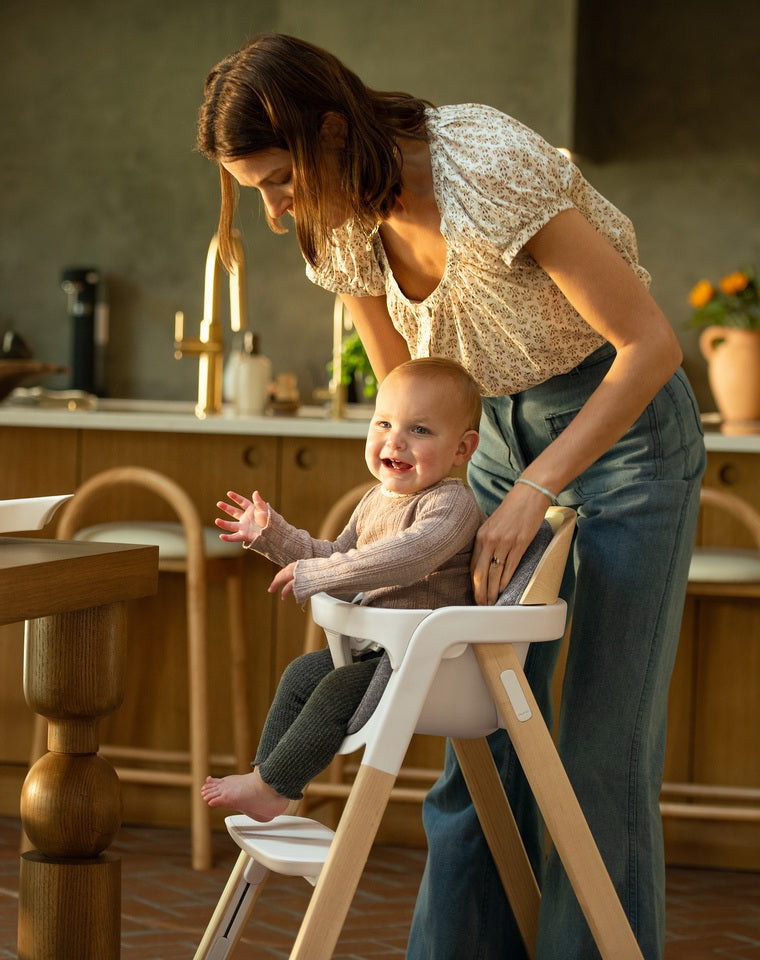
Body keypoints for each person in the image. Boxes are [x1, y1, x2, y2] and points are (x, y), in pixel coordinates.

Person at [196, 33, 706, 960]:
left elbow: (652, 348)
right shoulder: (338, 221)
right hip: (482, 438)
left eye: (279, 180)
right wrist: (407, 497)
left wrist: (537, 488)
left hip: (622, 433)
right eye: (257, 189)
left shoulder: (489, 168)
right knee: (486, 728)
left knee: (596, 749)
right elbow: (406, 382)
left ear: (332, 132)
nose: (275, 212)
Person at [201, 357, 483, 822]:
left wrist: (317, 577)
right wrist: (271, 535)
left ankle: (272, 785)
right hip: (381, 651)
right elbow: (334, 554)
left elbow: (409, 556)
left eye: (420, 431)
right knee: (300, 675)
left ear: (461, 449)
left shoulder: (452, 505)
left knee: (333, 690)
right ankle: (268, 782)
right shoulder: (375, 500)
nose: (395, 441)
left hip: (428, 660)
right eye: (384, 424)